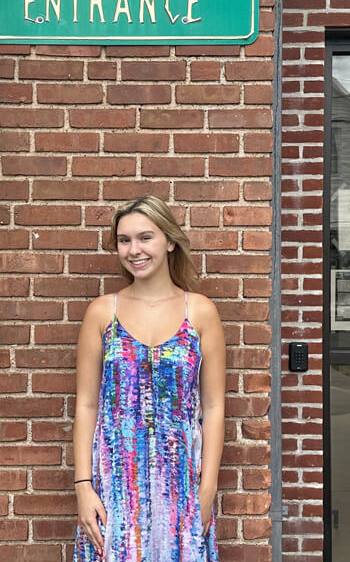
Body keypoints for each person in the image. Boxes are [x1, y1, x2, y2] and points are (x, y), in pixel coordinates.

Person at [72, 195, 226, 561]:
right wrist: (83, 486)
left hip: (181, 482)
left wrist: (208, 489)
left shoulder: (200, 312)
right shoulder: (101, 313)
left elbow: (215, 406)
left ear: (169, 241)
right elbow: (86, 404)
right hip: (114, 483)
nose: (133, 250)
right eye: (124, 240)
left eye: (145, 238)